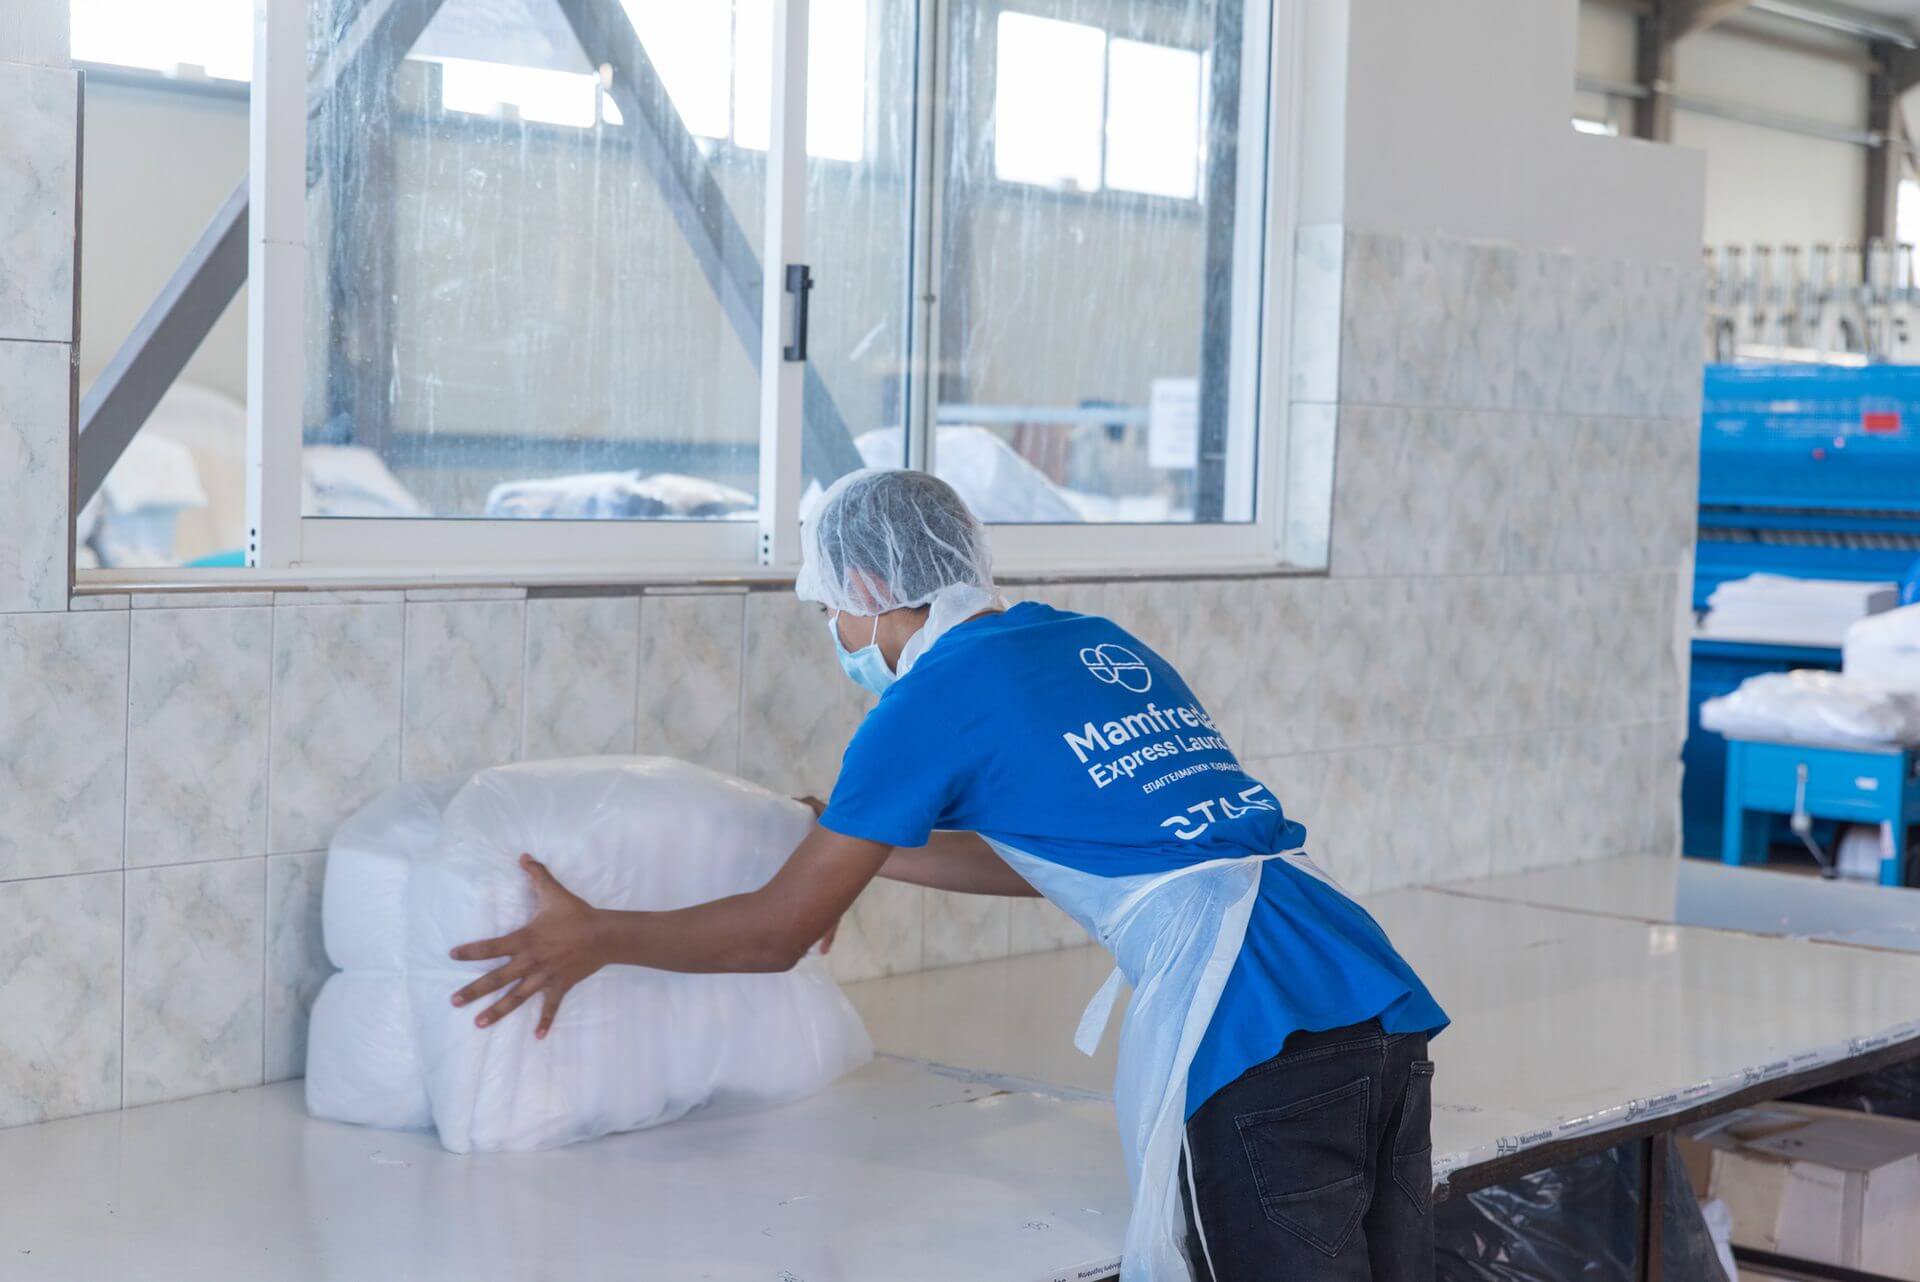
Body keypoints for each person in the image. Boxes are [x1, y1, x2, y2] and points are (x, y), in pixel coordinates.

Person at [447, 468, 1449, 1282]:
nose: (837, 639)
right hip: (1366, 990)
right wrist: (856, 852)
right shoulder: (1088, 643)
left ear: (868, 589)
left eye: (830, 613)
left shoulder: (924, 702)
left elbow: (774, 933)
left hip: (1250, 1023)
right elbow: (1083, 861)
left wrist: (594, 936)